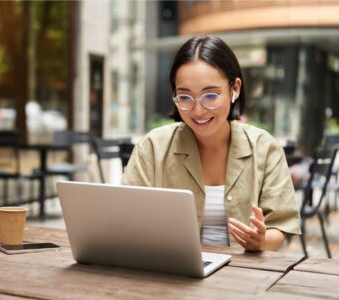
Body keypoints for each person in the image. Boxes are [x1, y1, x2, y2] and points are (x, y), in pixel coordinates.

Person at [121, 36, 301, 251]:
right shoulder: (153, 147)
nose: (198, 111)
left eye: (210, 95)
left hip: (242, 275)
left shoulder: (265, 148)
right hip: (171, 271)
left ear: (235, 88)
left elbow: (279, 228)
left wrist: (260, 241)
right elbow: (126, 220)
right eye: (185, 97)